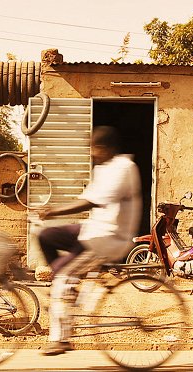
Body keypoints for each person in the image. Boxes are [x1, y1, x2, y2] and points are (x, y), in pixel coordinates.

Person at [37, 125, 142, 356]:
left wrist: (54, 212)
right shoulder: (104, 169)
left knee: (64, 276)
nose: (92, 153)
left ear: (104, 148)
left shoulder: (125, 167)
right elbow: (88, 196)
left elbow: (92, 201)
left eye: (94, 148)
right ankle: (66, 287)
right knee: (46, 236)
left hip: (108, 238)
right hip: (92, 230)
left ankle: (61, 339)